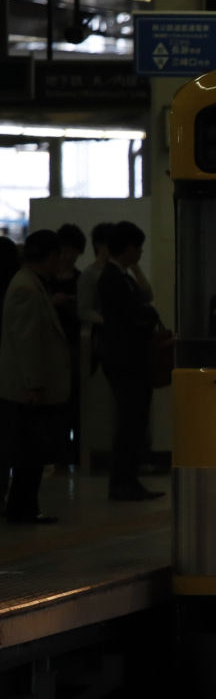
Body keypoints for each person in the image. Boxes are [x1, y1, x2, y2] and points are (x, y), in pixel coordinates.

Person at [0, 230, 70, 523]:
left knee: (31, 452)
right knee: (29, 452)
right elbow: (26, 341)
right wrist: (34, 384)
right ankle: (22, 508)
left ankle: (24, 506)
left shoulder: (30, 284)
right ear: (51, 256)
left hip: (29, 387)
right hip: (27, 390)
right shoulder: (26, 289)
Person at [98, 221, 163, 501]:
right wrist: (147, 316)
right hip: (127, 360)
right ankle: (123, 480)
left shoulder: (118, 275)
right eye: (138, 247)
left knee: (133, 422)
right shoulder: (112, 278)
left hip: (127, 359)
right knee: (130, 422)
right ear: (128, 247)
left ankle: (127, 479)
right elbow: (133, 313)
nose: (140, 252)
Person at [51, 224, 86, 466]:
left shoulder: (80, 280)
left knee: (73, 403)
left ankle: (70, 453)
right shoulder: (46, 281)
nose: (68, 255)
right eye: (64, 250)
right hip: (52, 348)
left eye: (73, 251)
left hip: (73, 348)